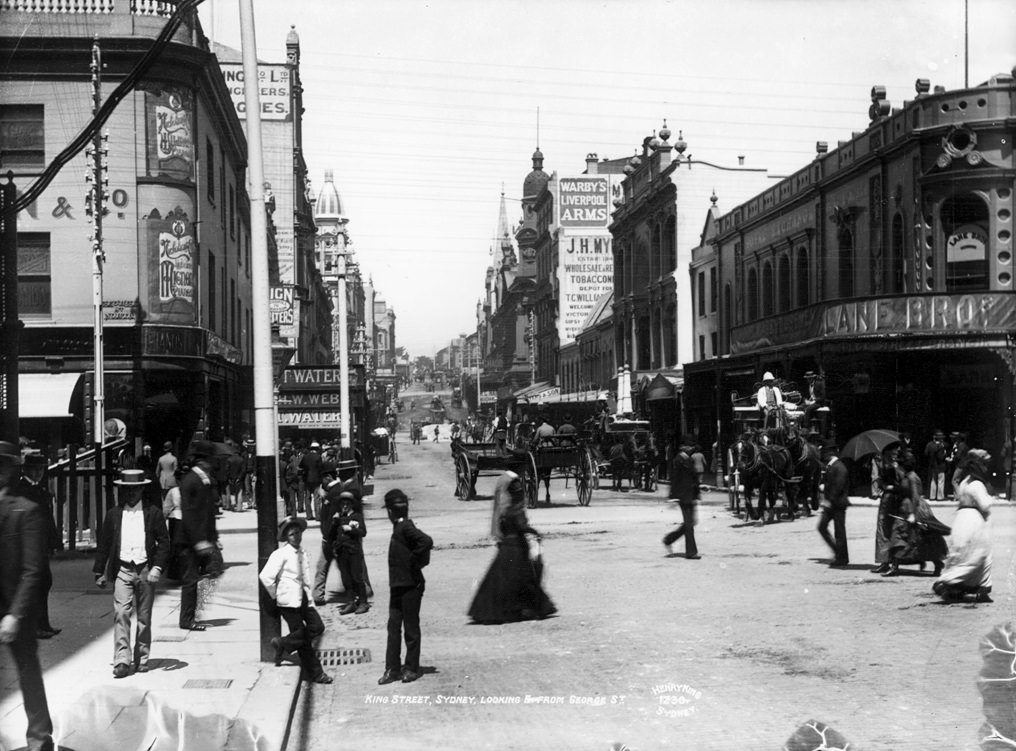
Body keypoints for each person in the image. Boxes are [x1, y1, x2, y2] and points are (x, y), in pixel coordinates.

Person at [0, 441, 54, 751]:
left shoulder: (26, 510)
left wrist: (15, 615)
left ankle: (39, 737)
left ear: (8, 469)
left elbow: (33, 570)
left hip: (14, 610)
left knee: (28, 673)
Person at [92, 468, 170, 678]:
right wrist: (99, 571)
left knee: (144, 617)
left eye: (135, 489)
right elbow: (105, 544)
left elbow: (164, 542)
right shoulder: (114, 514)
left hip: (146, 569)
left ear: (142, 489)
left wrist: (157, 567)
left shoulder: (153, 513)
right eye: (127, 490)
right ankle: (122, 660)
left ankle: (142, 658)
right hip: (123, 569)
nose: (131, 493)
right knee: (121, 613)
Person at [469, 472, 556, 624]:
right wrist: (528, 529)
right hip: (514, 533)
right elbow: (515, 509)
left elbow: (500, 507)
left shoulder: (502, 479)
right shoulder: (514, 483)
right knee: (521, 573)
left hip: (506, 530)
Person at [260, 516, 333, 684]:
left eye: (298, 532)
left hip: (303, 599)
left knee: (317, 627)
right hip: (289, 602)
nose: (296, 536)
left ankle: (284, 643)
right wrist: (276, 595)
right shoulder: (281, 554)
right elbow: (266, 576)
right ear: (286, 537)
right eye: (292, 534)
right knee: (304, 641)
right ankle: (316, 673)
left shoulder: (303, 552)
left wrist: (310, 599)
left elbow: (305, 579)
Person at [378, 489, 433, 685]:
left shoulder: (405, 527)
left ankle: (411, 668)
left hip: (410, 586)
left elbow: (426, 541)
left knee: (410, 628)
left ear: (391, 512)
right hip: (398, 586)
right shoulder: (400, 527)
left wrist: (413, 562)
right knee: (393, 627)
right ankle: (392, 668)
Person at [934, 449, 994, 602]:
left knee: (962, 553)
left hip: (961, 519)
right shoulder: (977, 485)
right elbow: (986, 505)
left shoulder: (964, 482)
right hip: (975, 519)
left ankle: (959, 585)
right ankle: (954, 581)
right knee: (979, 553)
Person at [175, 441, 221, 631]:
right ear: (203, 462)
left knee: (200, 577)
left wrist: (212, 537)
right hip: (191, 541)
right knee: (191, 580)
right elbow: (190, 514)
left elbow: (207, 512)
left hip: (201, 538)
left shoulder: (203, 480)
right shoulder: (192, 481)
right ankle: (187, 619)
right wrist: (199, 541)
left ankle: (191, 615)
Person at [15, 454, 61, 639]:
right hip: (29, 545)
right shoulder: (22, 490)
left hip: (40, 544)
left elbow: (48, 520)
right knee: (36, 584)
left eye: (41, 469)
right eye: (35, 469)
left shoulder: (39, 489)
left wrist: (53, 542)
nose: (39, 473)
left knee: (44, 583)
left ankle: (43, 623)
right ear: (26, 470)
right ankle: (35, 626)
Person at [883, 449, 949, 576]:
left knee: (912, 537)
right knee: (908, 538)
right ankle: (896, 565)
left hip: (913, 508)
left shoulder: (913, 478)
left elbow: (915, 496)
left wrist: (913, 513)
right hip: (905, 508)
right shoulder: (907, 476)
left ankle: (935, 562)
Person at [328, 491, 369, 615]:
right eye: (342, 504)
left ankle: (363, 602)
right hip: (341, 552)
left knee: (357, 577)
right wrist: (334, 523)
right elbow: (330, 535)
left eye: (347, 504)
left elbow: (363, 532)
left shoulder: (356, 517)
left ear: (351, 505)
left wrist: (351, 529)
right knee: (346, 578)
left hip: (353, 551)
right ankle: (350, 602)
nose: (345, 506)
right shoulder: (338, 518)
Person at [662, 436, 701, 559]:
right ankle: (691, 552)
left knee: (692, 522)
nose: (691, 449)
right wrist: (673, 496)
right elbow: (674, 479)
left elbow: (692, 477)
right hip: (683, 496)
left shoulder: (688, 459)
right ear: (683, 447)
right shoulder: (678, 460)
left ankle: (669, 539)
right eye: (689, 446)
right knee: (689, 524)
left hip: (691, 495)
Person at [817, 443, 850, 567]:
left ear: (829, 454)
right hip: (833, 504)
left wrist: (828, 500)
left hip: (837, 504)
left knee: (839, 532)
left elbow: (838, 487)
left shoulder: (839, 467)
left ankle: (842, 557)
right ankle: (839, 553)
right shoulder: (833, 467)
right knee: (823, 527)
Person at [870, 446, 901, 574]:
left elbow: (900, 483)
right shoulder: (882, 462)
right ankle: (884, 560)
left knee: (892, 529)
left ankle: (894, 562)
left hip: (893, 498)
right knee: (883, 529)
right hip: (887, 497)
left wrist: (887, 485)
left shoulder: (897, 465)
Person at [924, 429, 947, 501]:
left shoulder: (929, 444)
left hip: (933, 466)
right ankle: (940, 497)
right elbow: (940, 457)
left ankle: (932, 496)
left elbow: (926, 453)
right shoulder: (940, 446)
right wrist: (945, 454)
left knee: (933, 481)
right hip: (940, 466)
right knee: (940, 481)